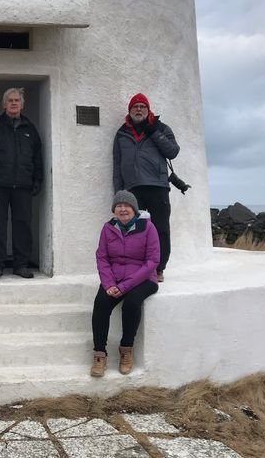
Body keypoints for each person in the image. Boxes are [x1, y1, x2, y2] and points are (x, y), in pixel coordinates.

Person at [90, 190, 159, 377]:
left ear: (134, 209)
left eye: (126, 205)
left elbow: (152, 261)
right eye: (118, 206)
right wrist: (108, 284)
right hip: (114, 278)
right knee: (101, 304)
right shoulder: (108, 228)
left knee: (132, 302)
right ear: (114, 210)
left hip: (143, 278)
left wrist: (124, 286)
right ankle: (99, 354)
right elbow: (102, 257)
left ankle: (126, 350)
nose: (122, 209)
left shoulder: (148, 227)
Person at [113, 92, 179, 282]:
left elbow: (173, 152)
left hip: (157, 186)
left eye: (143, 106)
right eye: (135, 107)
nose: (139, 109)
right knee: (135, 230)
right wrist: (120, 192)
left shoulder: (161, 128)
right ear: (130, 111)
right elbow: (117, 164)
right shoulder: (121, 133)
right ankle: (139, 268)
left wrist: (153, 132)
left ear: (148, 110)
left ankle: (159, 269)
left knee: (161, 230)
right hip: (132, 189)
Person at [0, 88, 43, 279]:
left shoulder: (30, 129)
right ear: (4, 104)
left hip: (23, 186)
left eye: (17, 101)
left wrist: (38, 180)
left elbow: (38, 157)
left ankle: (21, 265)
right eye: (10, 100)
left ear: (22, 105)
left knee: (23, 226)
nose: (14, 103)